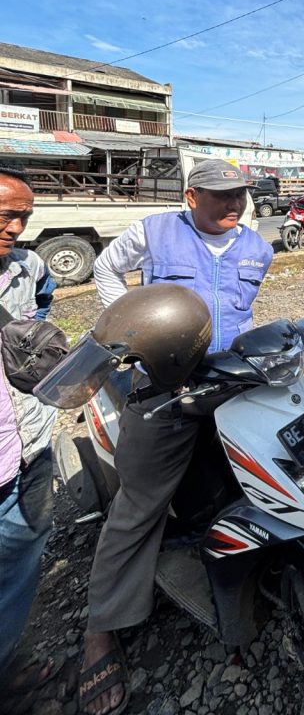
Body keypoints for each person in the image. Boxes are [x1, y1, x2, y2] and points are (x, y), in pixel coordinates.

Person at [80, 159, 273, 715]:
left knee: (250, 484)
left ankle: (243, 580)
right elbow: (106, 272)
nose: (232, 204)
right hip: (161, 387)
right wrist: (129, 330)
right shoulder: (154, 229)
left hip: (230, 384)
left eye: (238, 194)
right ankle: (101, 628)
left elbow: (246, 308)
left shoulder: (257, 246)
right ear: (192, 197)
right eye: (219, 196)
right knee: (139, 505)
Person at [0, 166, 59, 702]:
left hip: (30, 445)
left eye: (24, 216)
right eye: (6, 215)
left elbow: (44, 302)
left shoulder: (29, 266)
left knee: (19, 561)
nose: (16, 227)